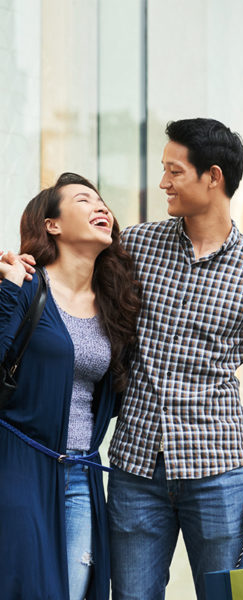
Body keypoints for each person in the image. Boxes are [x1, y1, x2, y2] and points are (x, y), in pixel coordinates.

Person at [106, 118, 243, 600]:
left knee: (227, 597)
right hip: (136, 466)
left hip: (218, 473)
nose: (164, 182)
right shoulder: (137, 246)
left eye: (175, 171)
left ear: (213, 177)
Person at [0, 173, 140, 600]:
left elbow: (111, 396)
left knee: (75, 591)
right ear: (52, 224)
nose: (101, 207)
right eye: (84, 200)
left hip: (82, 472)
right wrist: (6, 290)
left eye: (102, 201)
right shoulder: (25, 286)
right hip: (19, 466)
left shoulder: (114, 302)